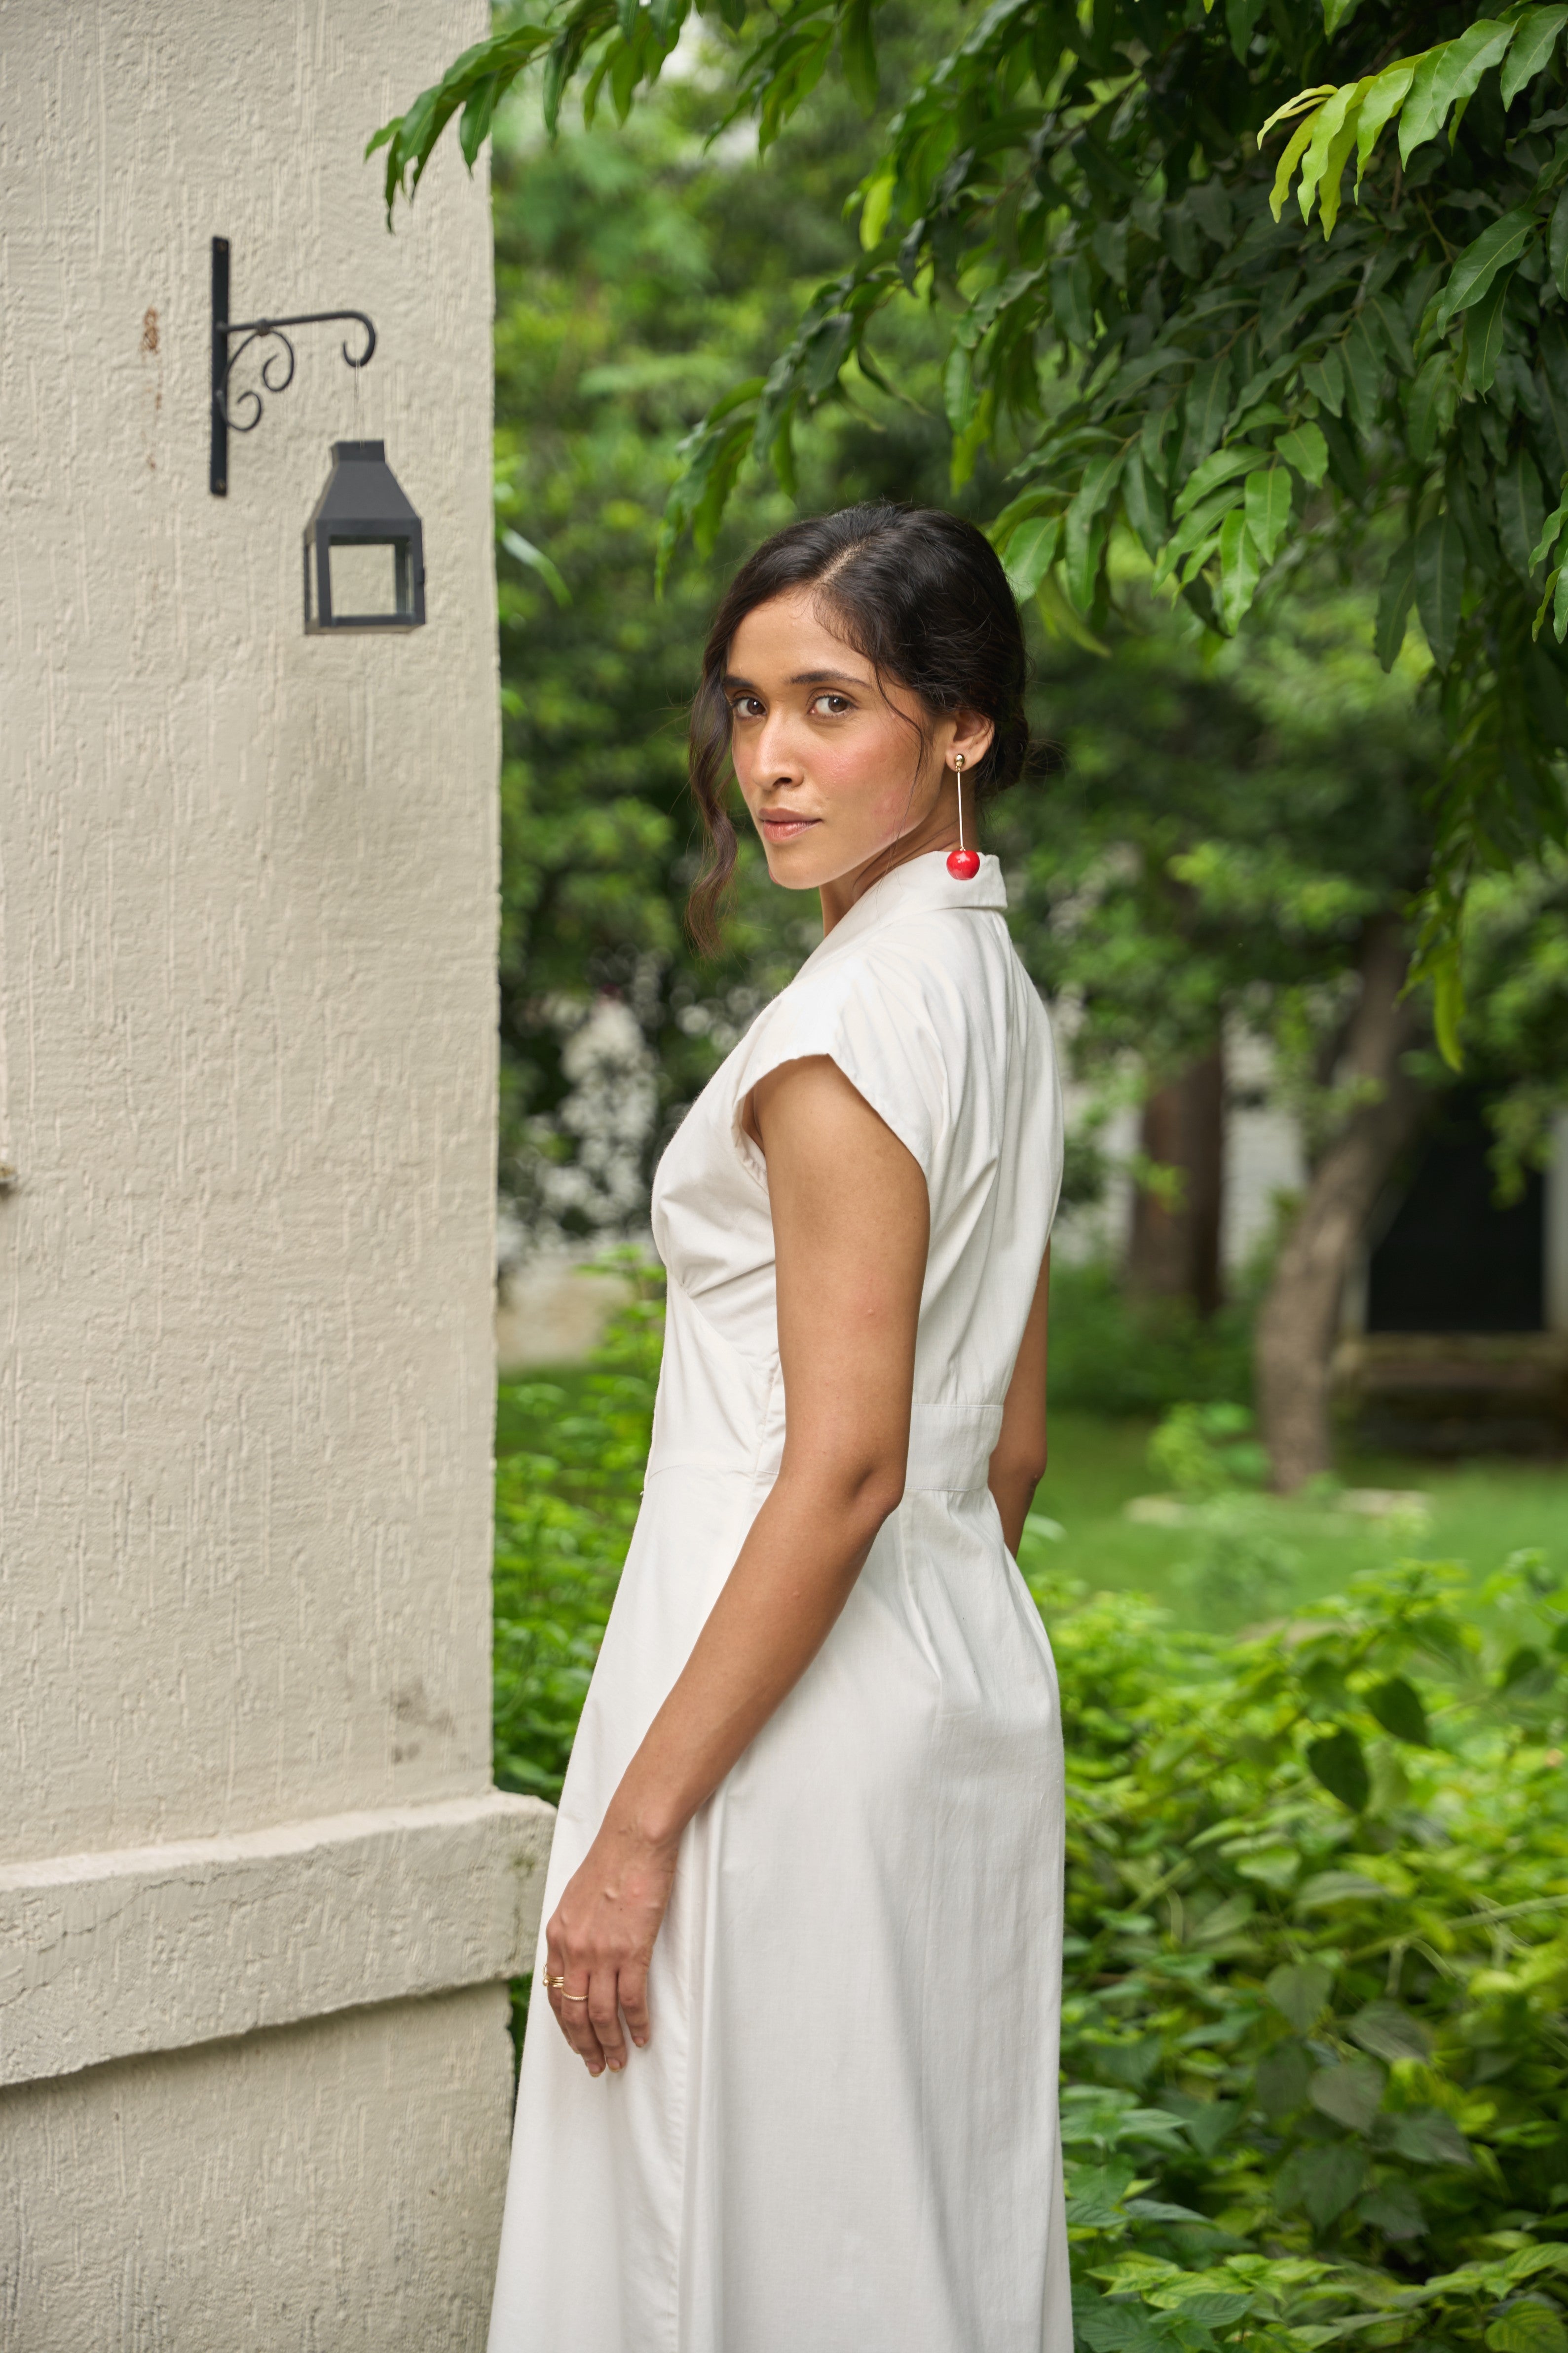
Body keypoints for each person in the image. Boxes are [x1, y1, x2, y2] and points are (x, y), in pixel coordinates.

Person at [487, 504, 1068, 2353]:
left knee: (739, 2246)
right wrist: (908, 1655)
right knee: (904, 2233)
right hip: (945, 1683)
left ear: (959, 725)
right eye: (748, 708)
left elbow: (848, 1463)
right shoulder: (989, 992)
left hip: (769, 1716)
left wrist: (640, 1829)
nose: (772, 762)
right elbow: (1007, 1448)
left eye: (831, 702)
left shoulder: (844, 1032)